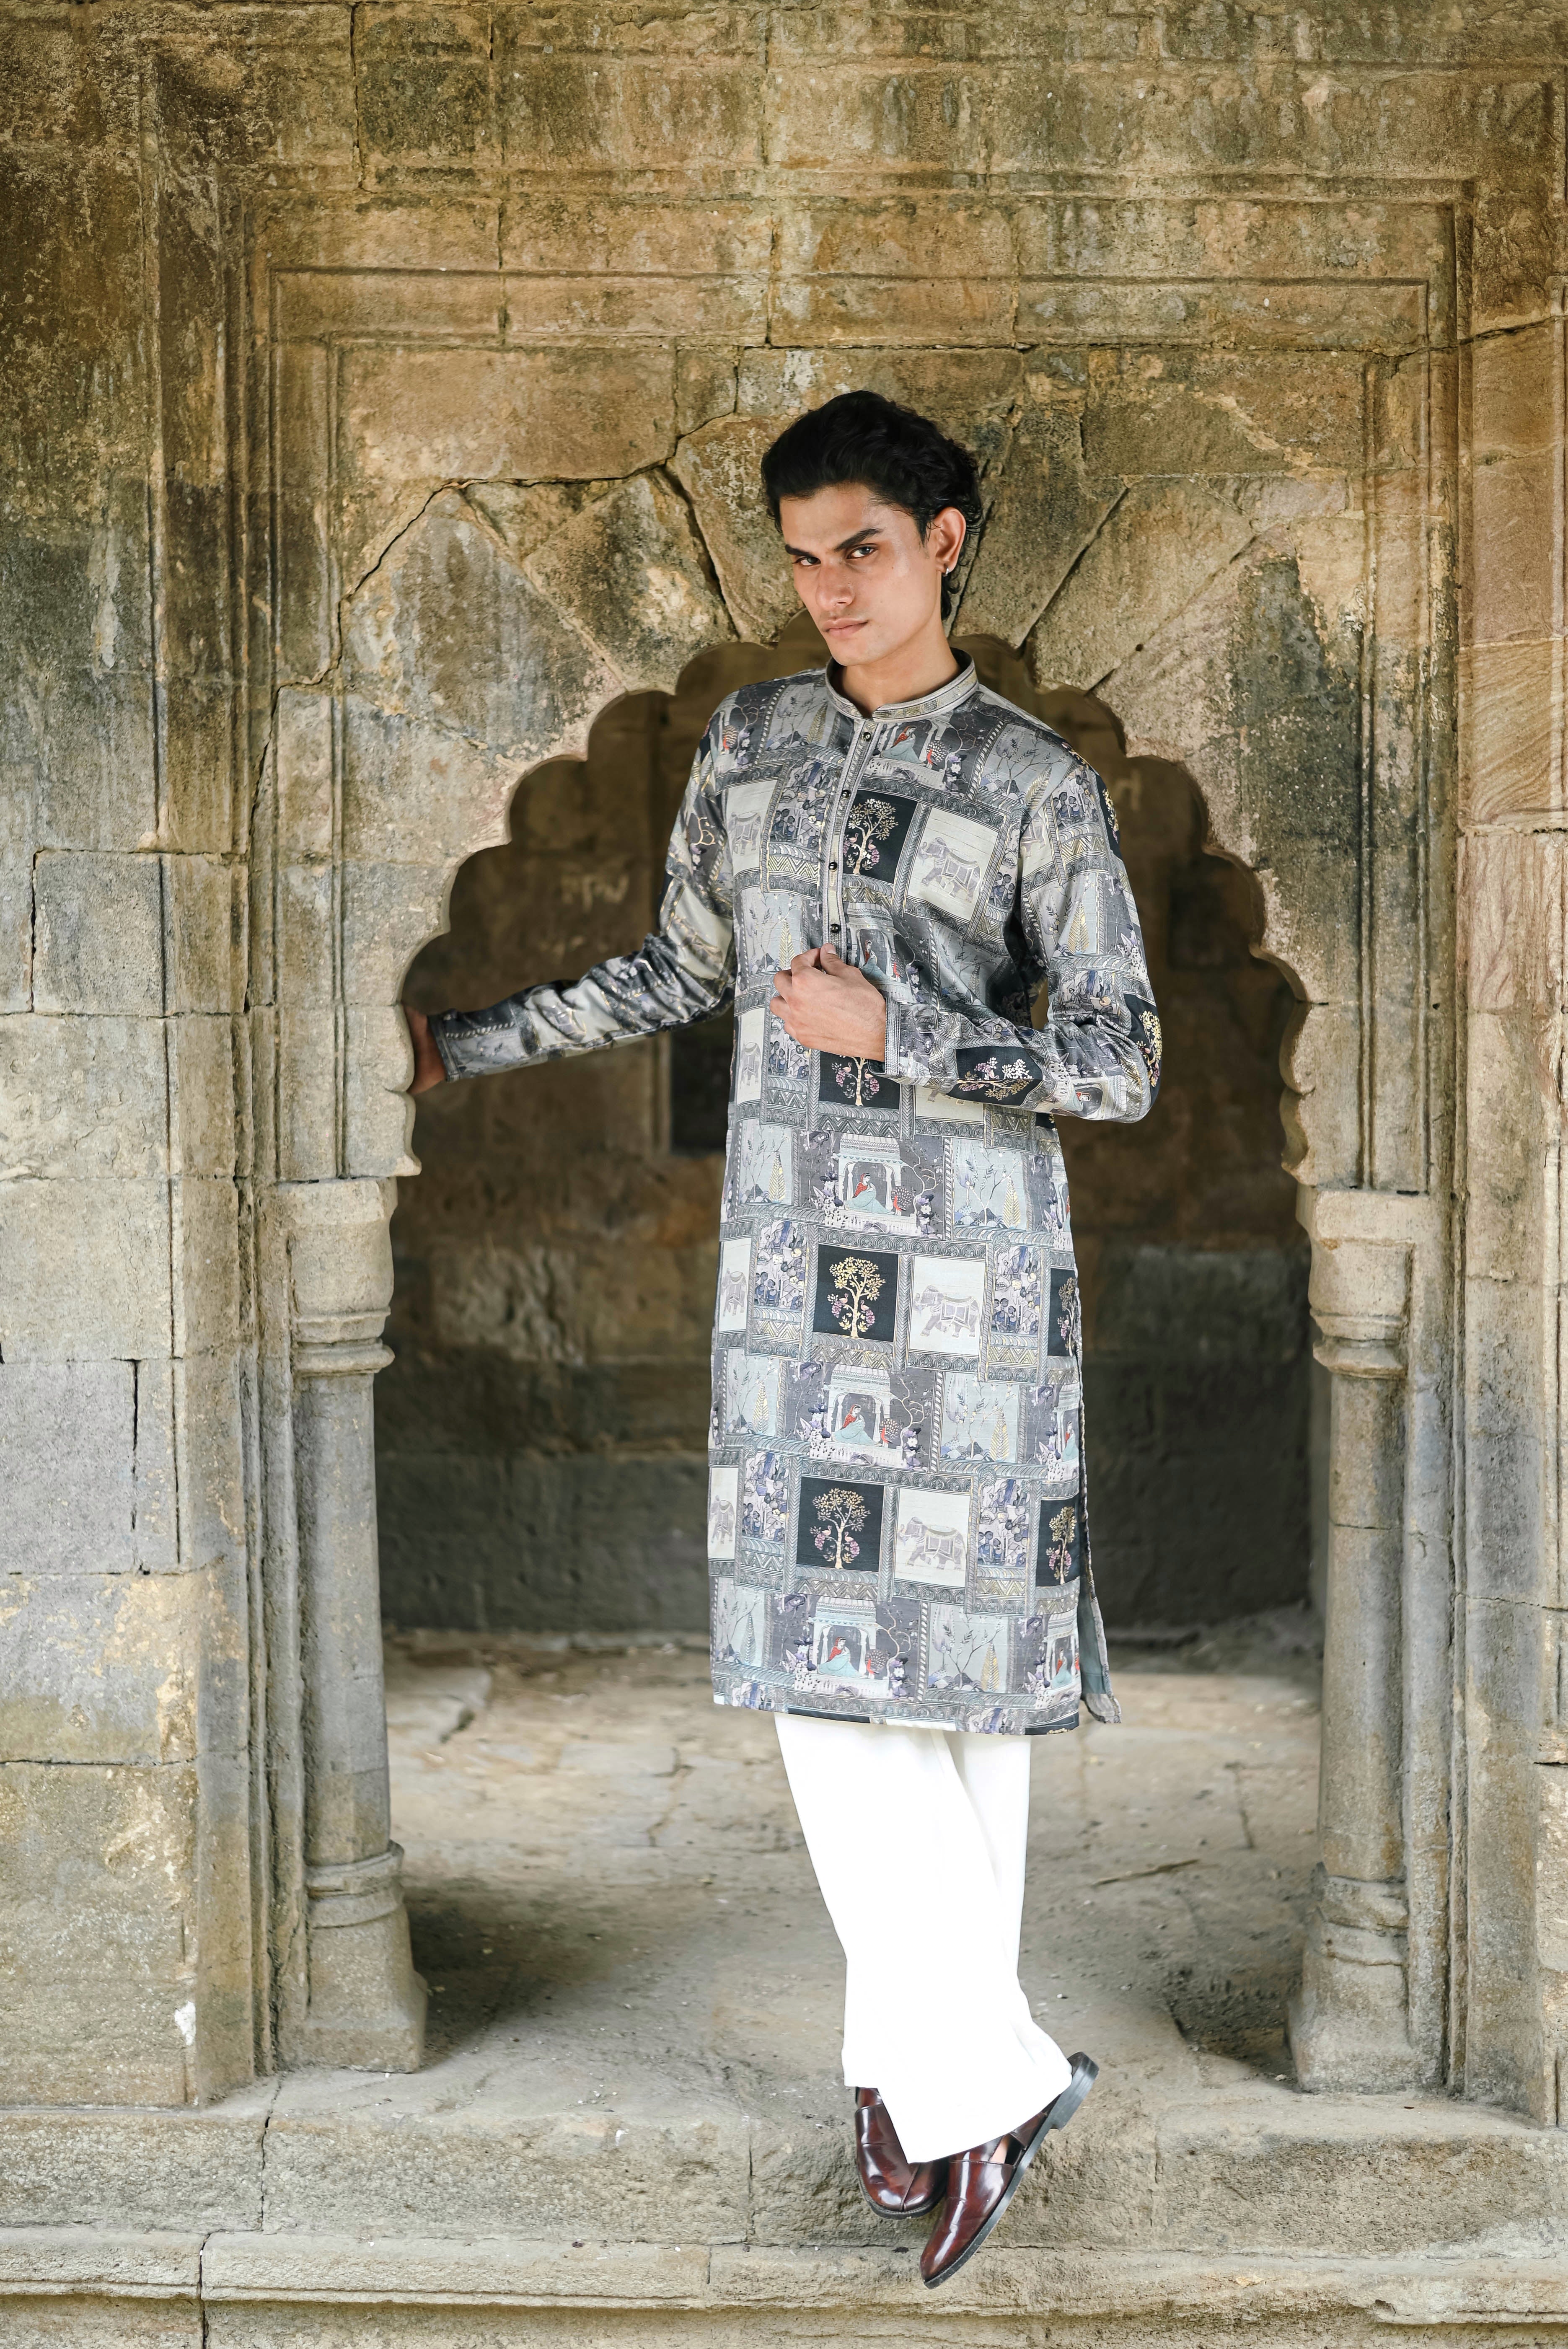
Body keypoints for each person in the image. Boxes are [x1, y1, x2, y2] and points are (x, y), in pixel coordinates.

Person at [405, 388, 1159, 2287]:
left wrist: (904, 1034)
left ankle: (924, 2082)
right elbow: (684, 971)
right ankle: (978, 2080)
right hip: (793, 1288)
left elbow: (1120, 1060)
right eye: (806, 555)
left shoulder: (1035, 784)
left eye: (866, 550)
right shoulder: (749, 743)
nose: (831, 586)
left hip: (975, 1298)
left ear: (946, 545)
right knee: (830, 1684)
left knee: (962, 1699)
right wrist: (463, 1045)